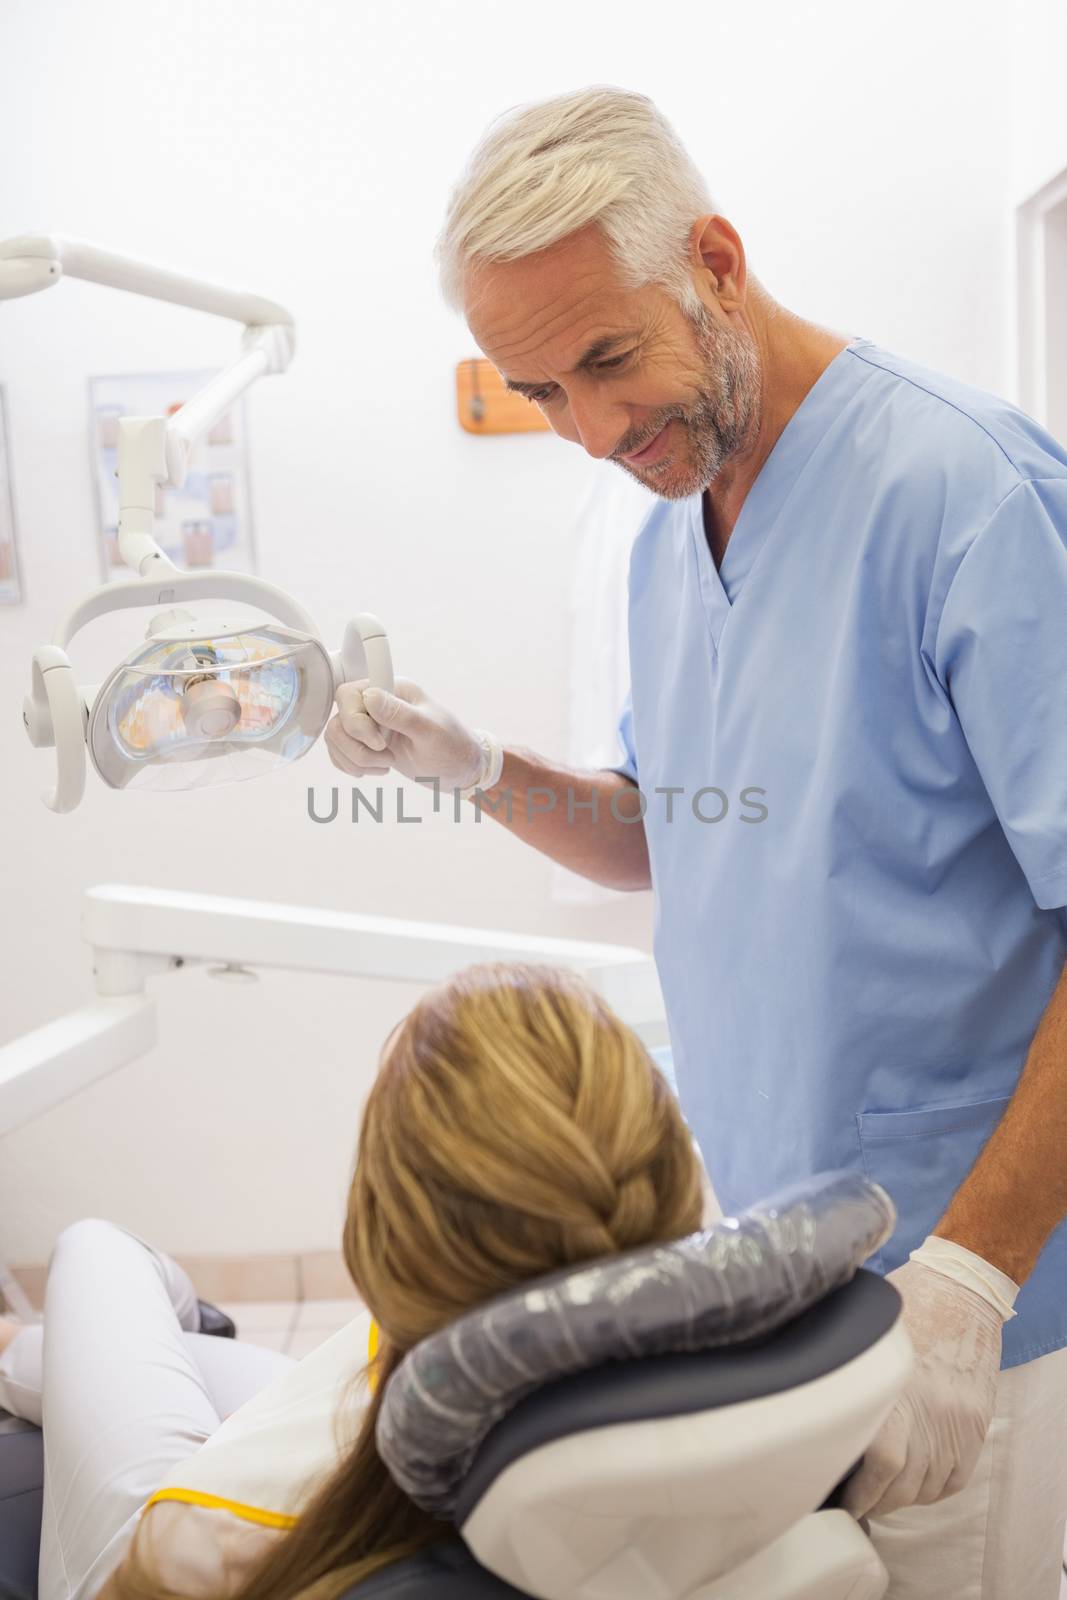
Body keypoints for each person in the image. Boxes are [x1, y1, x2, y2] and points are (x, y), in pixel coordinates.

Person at [324, 86, 1067, 1597]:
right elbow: (670, 834)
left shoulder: (968, 501)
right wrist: (473, 764)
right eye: (539, 393)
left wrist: (971, 1280)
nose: (592, 432)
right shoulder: (668, 531)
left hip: (988, 1311)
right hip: (794, 1287)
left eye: (607, 358)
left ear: (715, 261)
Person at [0, 962, 704, 1600]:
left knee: (98, 1248)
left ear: (381, 1247)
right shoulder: (697, 1327)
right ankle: (28, 1349)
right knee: (135, 1344)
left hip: (142, 1558)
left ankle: (21, 1346)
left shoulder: (203, 1536)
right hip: (337, 1435)